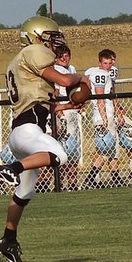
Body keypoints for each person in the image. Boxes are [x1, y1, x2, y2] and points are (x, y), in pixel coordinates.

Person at [0, 16, 88, 262]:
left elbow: (49, 103)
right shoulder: (33, 51)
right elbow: (66, 81)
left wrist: (70, 103)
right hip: (28, 129)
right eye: (50, 36)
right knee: (60, 155)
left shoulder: (19, 62)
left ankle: (8, 239)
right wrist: (82, 79)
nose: (55, 42)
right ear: (35, 37)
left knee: (24, 191)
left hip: (21, 134)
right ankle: (11, 168)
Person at [83, 49, 126, 188]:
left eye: (109, 63)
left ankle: (115, 177)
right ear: (100, 62)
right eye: (105, 63)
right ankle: (90, 179)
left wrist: (118, 112)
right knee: (105, 149)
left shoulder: (96, 73)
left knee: (112, 148)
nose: (108, 65)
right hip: (104, 115)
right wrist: (104, 117)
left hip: (108, 113)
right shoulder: (100, 74)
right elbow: (100, 96)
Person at [52, 45, 82, 191]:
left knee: (74, 149)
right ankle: (60, 183)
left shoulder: (72, 69)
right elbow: (55, 92)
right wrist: (59, 112)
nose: (64, 58)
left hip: (73, 112)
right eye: (60, 56)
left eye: (66, 55)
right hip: (63, 111)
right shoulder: (55, 70)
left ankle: (73, 183)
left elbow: (76, 90)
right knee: (63, 148)